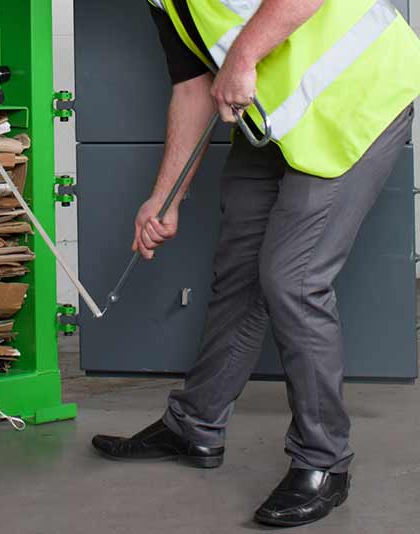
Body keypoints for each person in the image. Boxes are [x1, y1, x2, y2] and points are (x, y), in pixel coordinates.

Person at [90, 0, 420, 528]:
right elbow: (194, 86)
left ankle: (324, 462)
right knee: (240, 270)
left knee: (294, 278)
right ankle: (194, 425)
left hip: (358, 96)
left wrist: (242, 57)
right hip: (278, 115)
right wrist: (166, 198)